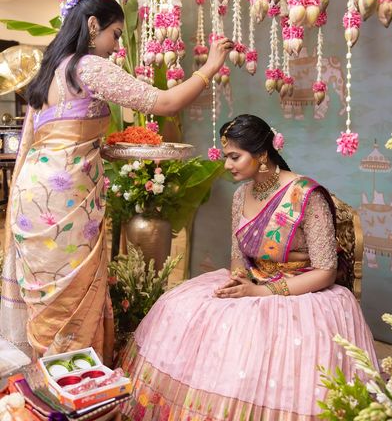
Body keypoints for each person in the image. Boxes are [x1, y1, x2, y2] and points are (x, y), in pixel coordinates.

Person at [0, 0, 232, 363]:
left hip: (32, 192)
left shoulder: (49, 72)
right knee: (71, 292)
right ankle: (72, 380)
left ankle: (48, 376)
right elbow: (164, 102)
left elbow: (45, 139)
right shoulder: (87, 66)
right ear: (93, 26)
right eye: (116, 34)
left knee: (47, 289)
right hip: (65, 199)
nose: (116, 45)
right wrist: (210, 67)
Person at [119, 114, 378, 420]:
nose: (227, 165)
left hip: (301, 293)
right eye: (226, 156)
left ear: (262, 154)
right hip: (253, 280)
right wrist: (239, 282)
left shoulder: (306, 196)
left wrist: (261, 292)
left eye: (234, 157)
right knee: (181, 308)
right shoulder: (242, 195)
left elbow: (325, 270)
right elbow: (237, 257)